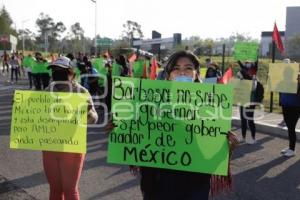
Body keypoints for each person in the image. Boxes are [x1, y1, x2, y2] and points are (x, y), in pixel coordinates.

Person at [106, 50, 238, 200]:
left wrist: (227, 147)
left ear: (196, 74)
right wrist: (121, 131)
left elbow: (211, 155)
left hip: (196, 186)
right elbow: (138, 145)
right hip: (159, 186)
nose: (182, 72)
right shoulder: (150, 104)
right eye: (176, 68)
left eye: (188, 68)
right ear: (168, 75)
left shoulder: (211, 107)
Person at [43, 56, 98, 200]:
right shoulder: (48, 90)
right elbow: (35, 114)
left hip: (72, 148)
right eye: (54, 70)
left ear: (70, 72)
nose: (56, 73)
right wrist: (20, 105)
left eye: (60, 70)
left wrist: (89, 112)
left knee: (70, 190)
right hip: (50, 147)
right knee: (55, 189)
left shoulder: (81, 92)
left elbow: (94, 118)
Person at [237, 60, 264, 144]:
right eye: (246, 64)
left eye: (248, 64)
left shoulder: (253, 75)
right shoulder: (241, 73)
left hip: (250, 100)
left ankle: (253, 137)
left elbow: (253, 87)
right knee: (243, 120)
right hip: (242, 99)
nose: (247, 66)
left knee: (250, 120)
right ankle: (243, 137)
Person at [279, 73, 300, 157]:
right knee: (289, 127)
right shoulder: (283, 81)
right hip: (285, 105)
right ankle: (290, 147)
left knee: (291, 127)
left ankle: (292, 149)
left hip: (295, 106)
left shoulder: (297, 80)